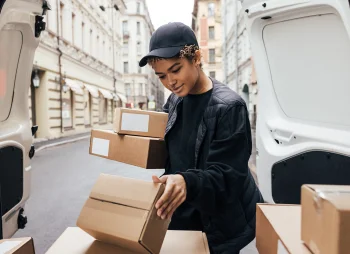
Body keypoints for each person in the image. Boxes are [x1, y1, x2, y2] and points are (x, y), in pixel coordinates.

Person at [139, 22, 264, 254]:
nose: (170, 82)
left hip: (218, 224)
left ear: (196, 58)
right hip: (183, 215)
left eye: (176, 70)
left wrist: (187, 181)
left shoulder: (229, 107)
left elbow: (229, 176)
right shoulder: (175, 99)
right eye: (161, 76)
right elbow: (166, 143)